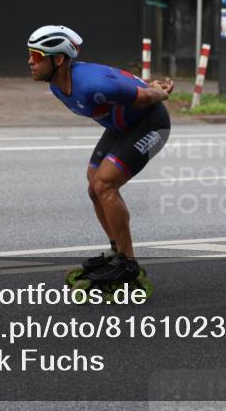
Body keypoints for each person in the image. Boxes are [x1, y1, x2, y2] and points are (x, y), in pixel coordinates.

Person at [27, 24, 174, 285]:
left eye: (36, 56)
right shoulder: (58, 86)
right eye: (30, 54)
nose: (30, 62)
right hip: (122, 126)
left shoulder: (92, 85)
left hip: (152, 124)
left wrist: (158, 90)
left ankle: (127, 263)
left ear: (58, 60)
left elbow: (145, 96)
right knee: (94, 186)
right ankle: (117, 251)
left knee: (105, 184)